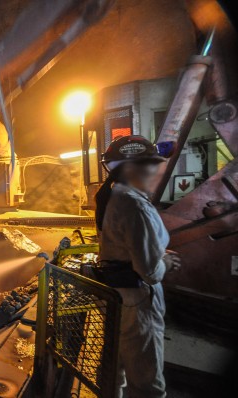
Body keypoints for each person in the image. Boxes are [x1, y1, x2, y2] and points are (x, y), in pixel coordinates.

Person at [95, 135, 181, 398]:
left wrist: (151, 248)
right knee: (146, 381)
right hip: (137, 298)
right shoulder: (134, 204)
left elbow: (123, 244)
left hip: (115, 295)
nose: (156, 171)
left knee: (113, 370)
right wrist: (164, 261)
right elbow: (149, 272)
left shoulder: (114, 195)